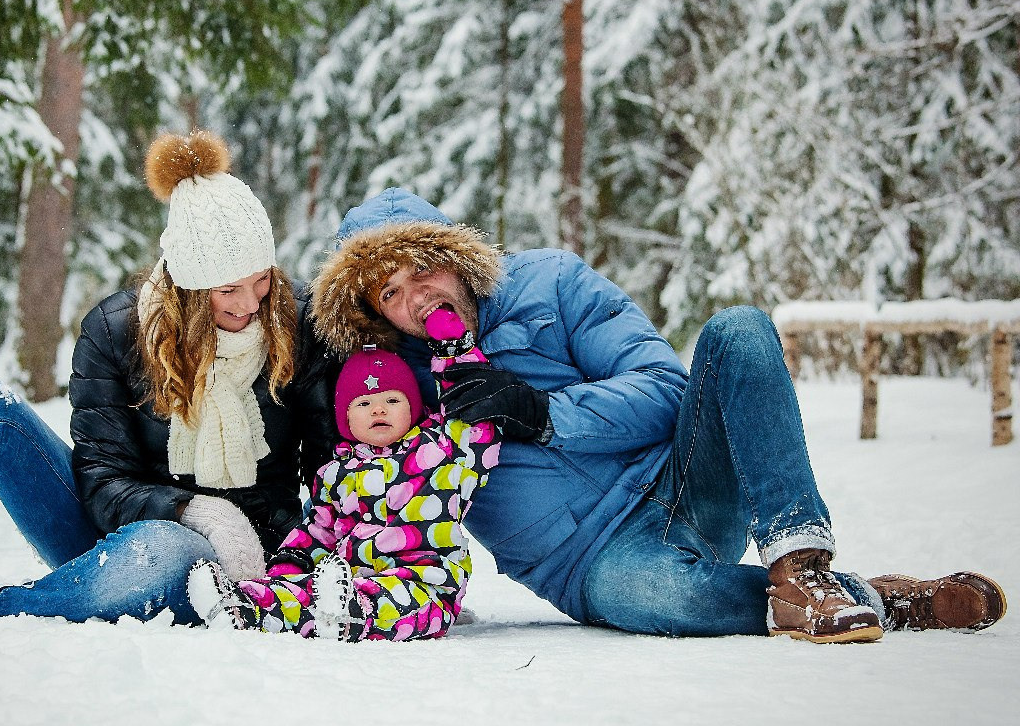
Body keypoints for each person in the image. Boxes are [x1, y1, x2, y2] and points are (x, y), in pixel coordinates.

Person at [305, 187, 1006, 643]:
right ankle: (872, 600)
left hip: (683, 476)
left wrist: (544, 412)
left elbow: (666, 388)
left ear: (453, 255)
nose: (415, 299)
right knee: (668, 596)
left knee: (738, 330)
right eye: (388, 294)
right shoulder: (392, 382)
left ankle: (802, 565)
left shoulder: (550, 281)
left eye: (421, 270)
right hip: (594, 559)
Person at [0, 130, 337, 645]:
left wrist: (293, 552)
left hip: (228, 563)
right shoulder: (115, 331)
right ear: (188, 286)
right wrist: (194, 509)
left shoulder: (296, 326)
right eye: (227, 289)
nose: (250, 304)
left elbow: (330, 465)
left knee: (172, 551)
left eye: (261, 281)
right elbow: (101, 481)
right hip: (111, 530)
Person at [187, 307, 501, 642]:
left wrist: (453, 350)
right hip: (343, 583)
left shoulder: (441, 453)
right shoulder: (336, 473)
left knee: (399, 602)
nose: (378, 409)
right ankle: (241, 607)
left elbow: (476, 419)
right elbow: (317, 533)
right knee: (301, 593)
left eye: (392, 400)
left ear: (412, 408)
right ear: (345, 419)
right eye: (363, 404)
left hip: (424, 582)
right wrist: (284, 574)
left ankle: (347, 612)